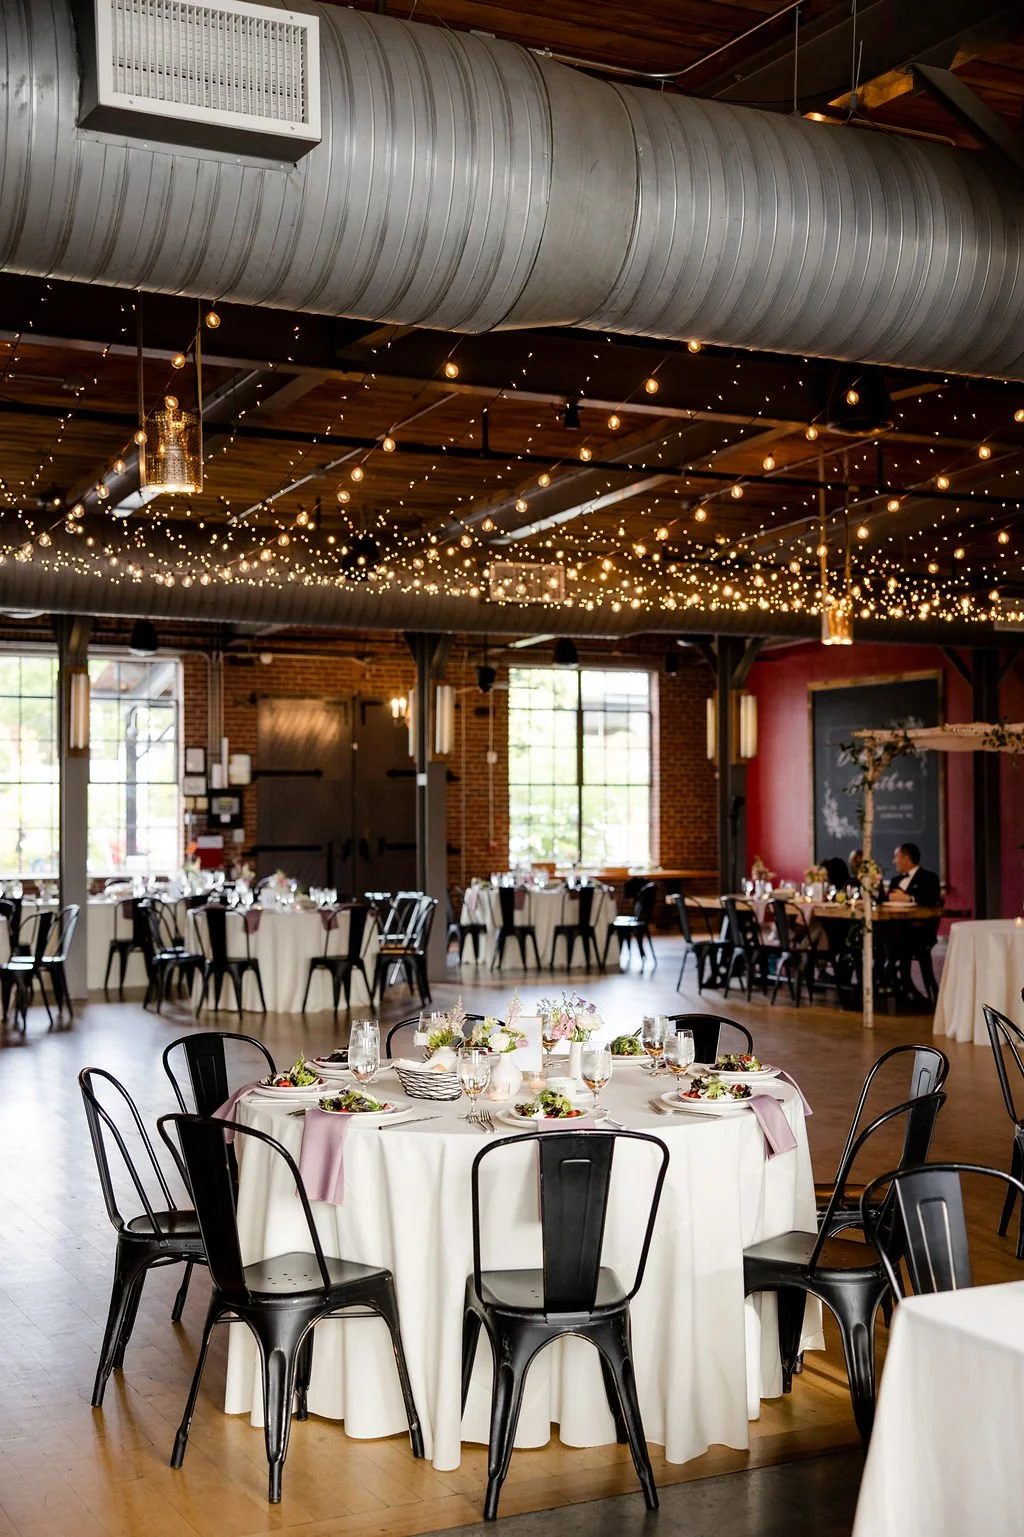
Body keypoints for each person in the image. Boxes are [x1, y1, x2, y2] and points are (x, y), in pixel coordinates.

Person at [885, 843, 942, 1009]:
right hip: (895, 931)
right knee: (883, 937)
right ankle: (894, 983)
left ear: (906, 858)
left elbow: (931, 899)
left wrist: (909, 898)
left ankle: (905, 986)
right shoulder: (895, 880)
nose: (894, 861)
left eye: (897, 857)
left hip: (919, 933)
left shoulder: (929, 878)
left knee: (895, 940)